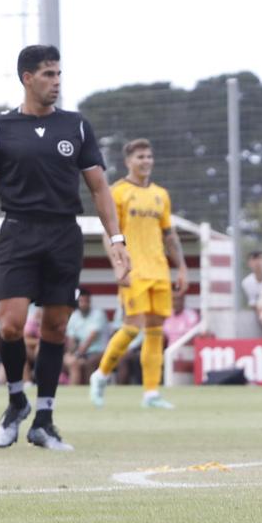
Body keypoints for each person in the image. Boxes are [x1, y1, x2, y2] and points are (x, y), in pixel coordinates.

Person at [0, 46, 129, 450]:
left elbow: (99, 187)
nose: (56, 82)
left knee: (55, 327)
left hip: (63, 235)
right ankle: (17, 400)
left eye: (58, 74)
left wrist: (116, 239)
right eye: (48, 74)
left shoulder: (77, 126)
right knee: (11, 324)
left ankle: (44, 420)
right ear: (27, 77)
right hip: (17, 233)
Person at [87, 139, 187, 410]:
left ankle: (151, 393)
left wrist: (181, 267)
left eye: (149, 156)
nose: (146, 161)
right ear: (129, 160)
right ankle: (101, 375)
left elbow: (169, 234)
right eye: (141, 156)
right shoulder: (117, 192)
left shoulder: (160, 195)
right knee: (132, 326)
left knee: (155, 331)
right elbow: (109, 232)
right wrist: (118, 264)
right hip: (134, 269)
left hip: (159, 270)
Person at [63, 290, 109, 385]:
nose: (83, 304)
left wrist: (78, 354)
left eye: (86, 301)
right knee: (73, 363)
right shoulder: (74, 316)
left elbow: (91, 338)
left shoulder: (98, 314)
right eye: (81, 301)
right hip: (80, 353)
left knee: (89, 363)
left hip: (98, 351)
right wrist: (71, 353)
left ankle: (91, 389)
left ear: (90, 302)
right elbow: (72, 340)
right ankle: (73, 392)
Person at [240, 251, 262, 319]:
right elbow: (253, 303)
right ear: (249, 263)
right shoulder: (246, 282)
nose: (257, 262)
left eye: (260, 259)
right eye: (254, 260)